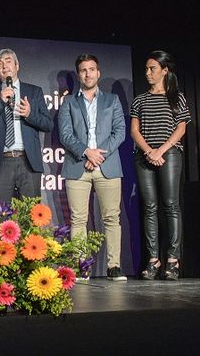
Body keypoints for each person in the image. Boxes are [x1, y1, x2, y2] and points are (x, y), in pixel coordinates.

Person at [58, 54, 127, 281]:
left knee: (111, 218)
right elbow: (66, 135)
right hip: (78, 165)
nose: (88, 74)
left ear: (99, 72)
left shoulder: (112, 100)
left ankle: (114, 266)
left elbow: (120, 132)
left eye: (92, 69)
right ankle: (82, 266)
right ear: (79, 74)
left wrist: (98, 155)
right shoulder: (69, 102)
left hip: (107, 165)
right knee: (78, 219)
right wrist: (87, 152)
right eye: (83, 70)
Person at [131, 51, 190, 280]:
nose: (148, 73)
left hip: (170, 155)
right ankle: (153, 260)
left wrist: (160, 151)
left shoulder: (177, 97)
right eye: (146, 69)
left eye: (152, 68)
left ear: (164, 70)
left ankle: (173, 260)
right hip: (144, 156)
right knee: (150, 207)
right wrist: (149, 151)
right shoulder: (140, 99)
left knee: (171, 205)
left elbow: (181, 128)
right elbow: (134, 131)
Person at [0, 48, 53, 208]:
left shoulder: (34, 91)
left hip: (28, 161)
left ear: (17, 66)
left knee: (31, 218)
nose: (4, 66)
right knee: (0, 217)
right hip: (1, 161)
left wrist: (30, 115)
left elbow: (48, 124)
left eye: (8, 61)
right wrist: (0, 102)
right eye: (0, 64)